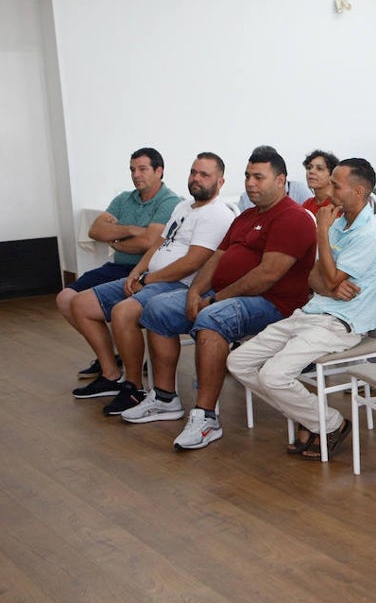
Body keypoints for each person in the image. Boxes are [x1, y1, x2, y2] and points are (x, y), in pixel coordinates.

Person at [123, 146, 317, 451]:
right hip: (225, 295)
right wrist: (196, 291)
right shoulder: (246, 217)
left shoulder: (293, 218)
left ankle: (206, 418)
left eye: (259, 177)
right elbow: (216, 260)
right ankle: (164, 398)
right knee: (157, 307)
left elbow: (267, 275)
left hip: (273, 304)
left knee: (212, 318)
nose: (251, 183)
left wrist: (214, 300)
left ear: (281, 180)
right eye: (248, 176)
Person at [228, 158, 376, 460]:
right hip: (312, 312)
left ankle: (331, 423)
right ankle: (313, 419)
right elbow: (314, 277)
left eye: (337, 185)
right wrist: (329, 281)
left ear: (357, 192)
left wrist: (322, 236)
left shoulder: (370, 232)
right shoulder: (340, 222)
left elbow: (326, 276)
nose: (330, 190)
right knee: (238, 361)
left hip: (341, 323)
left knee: (274, 375)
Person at [69, 152, 234, 411]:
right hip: (153, 278)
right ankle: (111, 375)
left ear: (220, 182)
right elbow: (159, 242)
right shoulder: (183, 206)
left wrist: (148, 279)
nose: (196, 179)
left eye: (205, 175)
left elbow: (192, 262)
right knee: (80, 304)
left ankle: (133, 387)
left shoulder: (217, 214)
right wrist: (137, 271)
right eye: (193, 172)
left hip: (179, 284)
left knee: (122, 312)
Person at [59, 146, 182, 376]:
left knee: (84, 304)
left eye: (142, 169)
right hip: (116, 267)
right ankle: (108, 356)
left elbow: (148, 242)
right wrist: (131, 229)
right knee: (65, 298)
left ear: (159, 171)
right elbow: (94, 230)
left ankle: (113, 372)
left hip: (143, 270)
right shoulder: (124, 199)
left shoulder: (170, 201)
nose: (136, 175)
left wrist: (115, 238)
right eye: (132, 170)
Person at [300, 149, 338, 214]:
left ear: (331, 176)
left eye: (319, 169)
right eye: (309, 167)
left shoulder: (338, 204)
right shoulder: (307, 205)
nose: (311, 171)